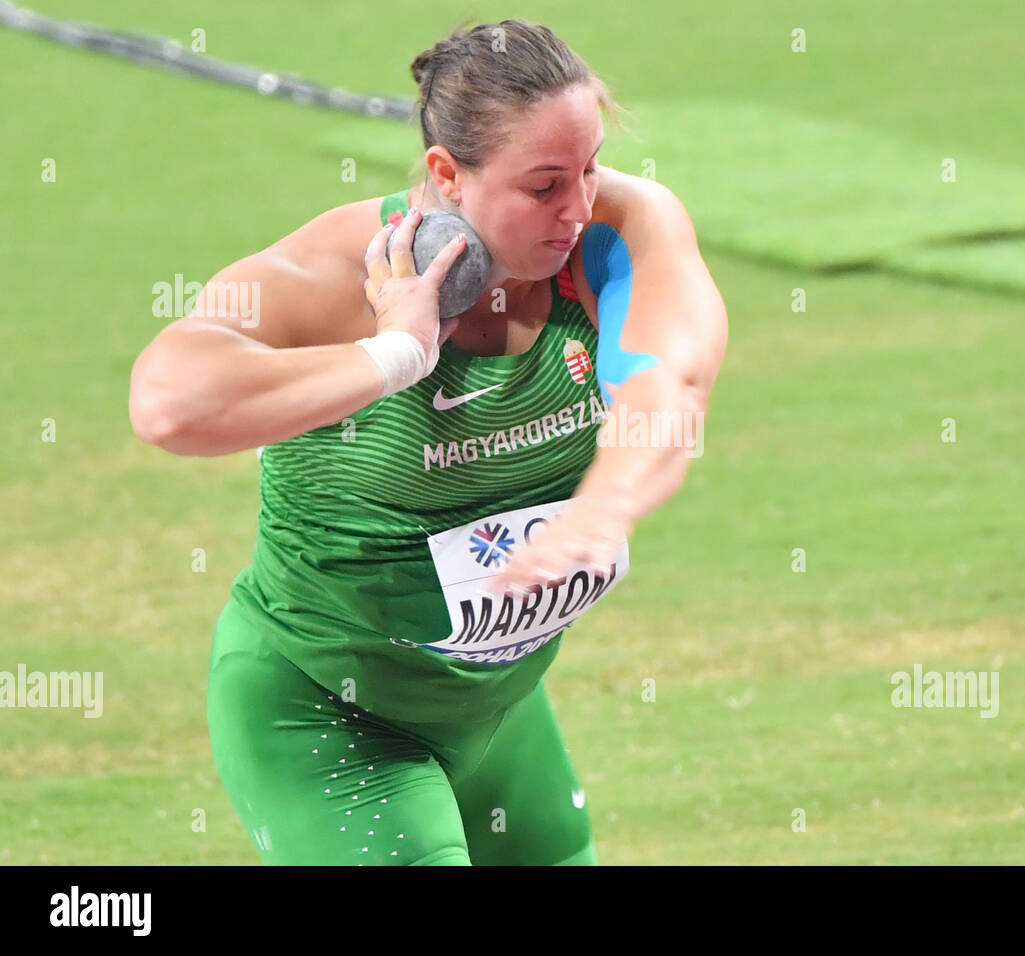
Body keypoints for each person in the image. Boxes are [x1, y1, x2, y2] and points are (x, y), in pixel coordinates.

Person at [128, 18, 727, 865]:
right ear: (447, 174)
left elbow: (670, 385)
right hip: (324, 713)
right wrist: (391, 355)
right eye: (545, 184)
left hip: (500, 709)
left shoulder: (611, 238)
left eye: (590, 168)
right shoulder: (335, 275)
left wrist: (606, 508)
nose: (580, 206)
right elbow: (167, 405)